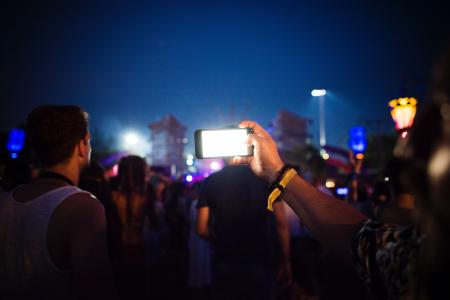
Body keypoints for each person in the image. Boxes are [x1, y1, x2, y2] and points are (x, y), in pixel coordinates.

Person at [232, 46, 450, 300]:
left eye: (444, 110)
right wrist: (277, 172)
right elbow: (358, 238)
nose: (408, 149)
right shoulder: (422, 261)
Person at [0, 105, 118, 300]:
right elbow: (99, 290)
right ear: (81, 146)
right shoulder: (82, 207)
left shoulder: (5, 201)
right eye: (89, 142)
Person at [196, 162, 291, 300]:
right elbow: (281, 224)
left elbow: (200, 229)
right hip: (260, 260)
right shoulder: (266, 180)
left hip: (224, 261)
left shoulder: (210, 181)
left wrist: (220, 239)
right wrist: (286, 260)